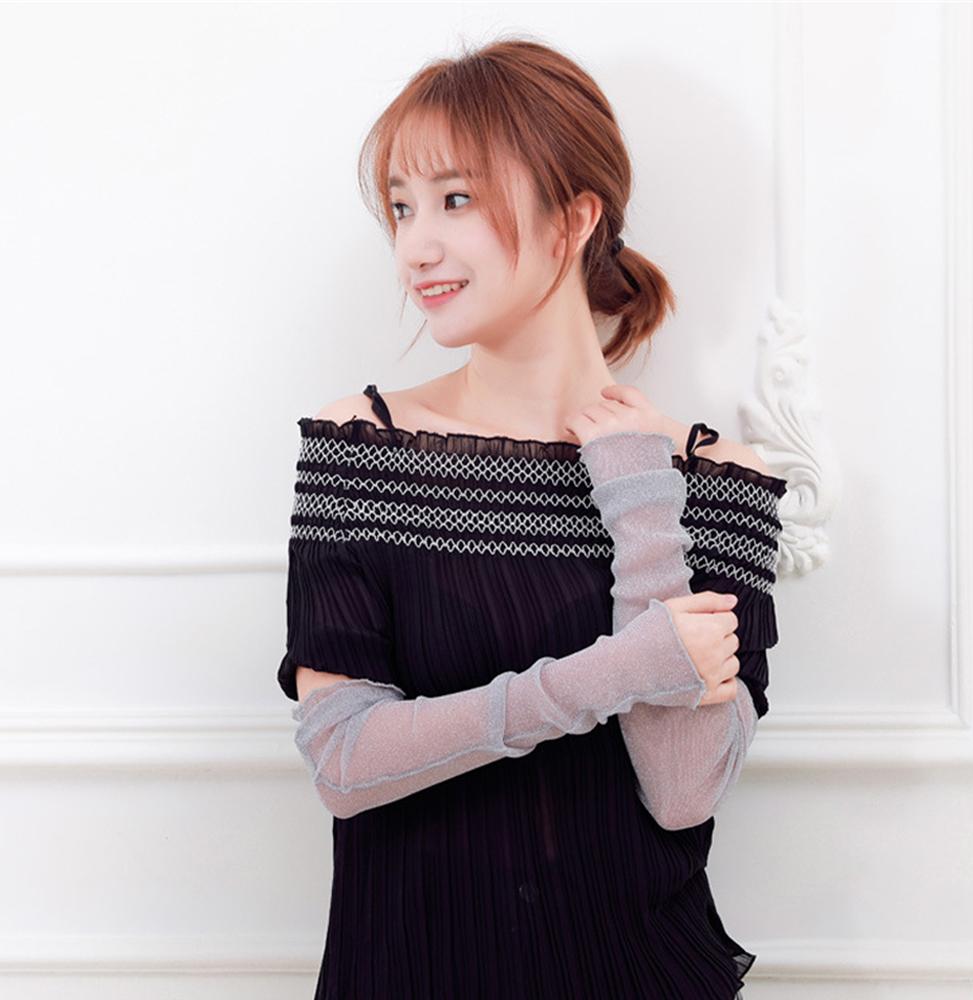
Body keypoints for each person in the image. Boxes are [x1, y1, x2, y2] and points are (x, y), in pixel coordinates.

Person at [278, 35, 787, 1000]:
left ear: (574, 218)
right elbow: (344, 761)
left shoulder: (712, 479)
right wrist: (617, 670)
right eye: (402, 207)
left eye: (456, 200)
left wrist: (640, 497)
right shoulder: (365, 448)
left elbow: (683, 793)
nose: (415, 245)